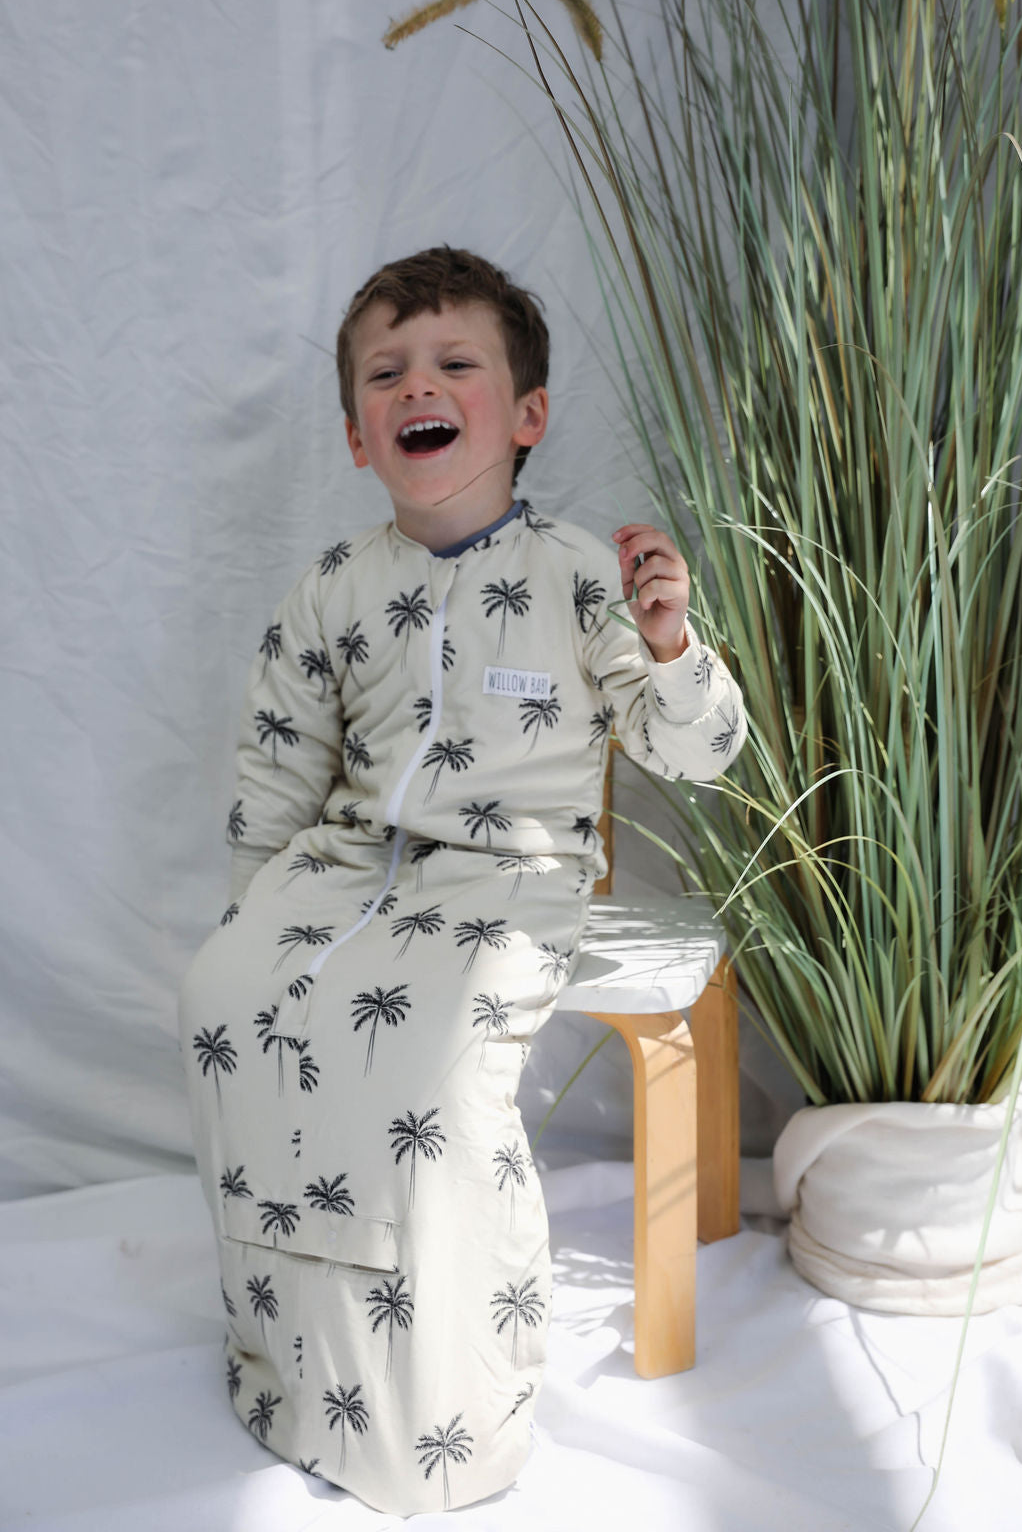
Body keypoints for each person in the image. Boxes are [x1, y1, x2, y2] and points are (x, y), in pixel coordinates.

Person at [178, 245, 747, 1514]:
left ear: (525, 415)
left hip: (512, 881)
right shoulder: (334, 591)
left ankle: (449, 1405)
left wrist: (670, 645)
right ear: (356, 434)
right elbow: (276, 766)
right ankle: (294, 1361)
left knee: (425, 1067)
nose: (417, 386)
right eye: (385, 374)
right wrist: (259, 919)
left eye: (452, 364)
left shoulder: (578, 574)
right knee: (224, 997)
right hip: (341, 872)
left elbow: (697, 754)